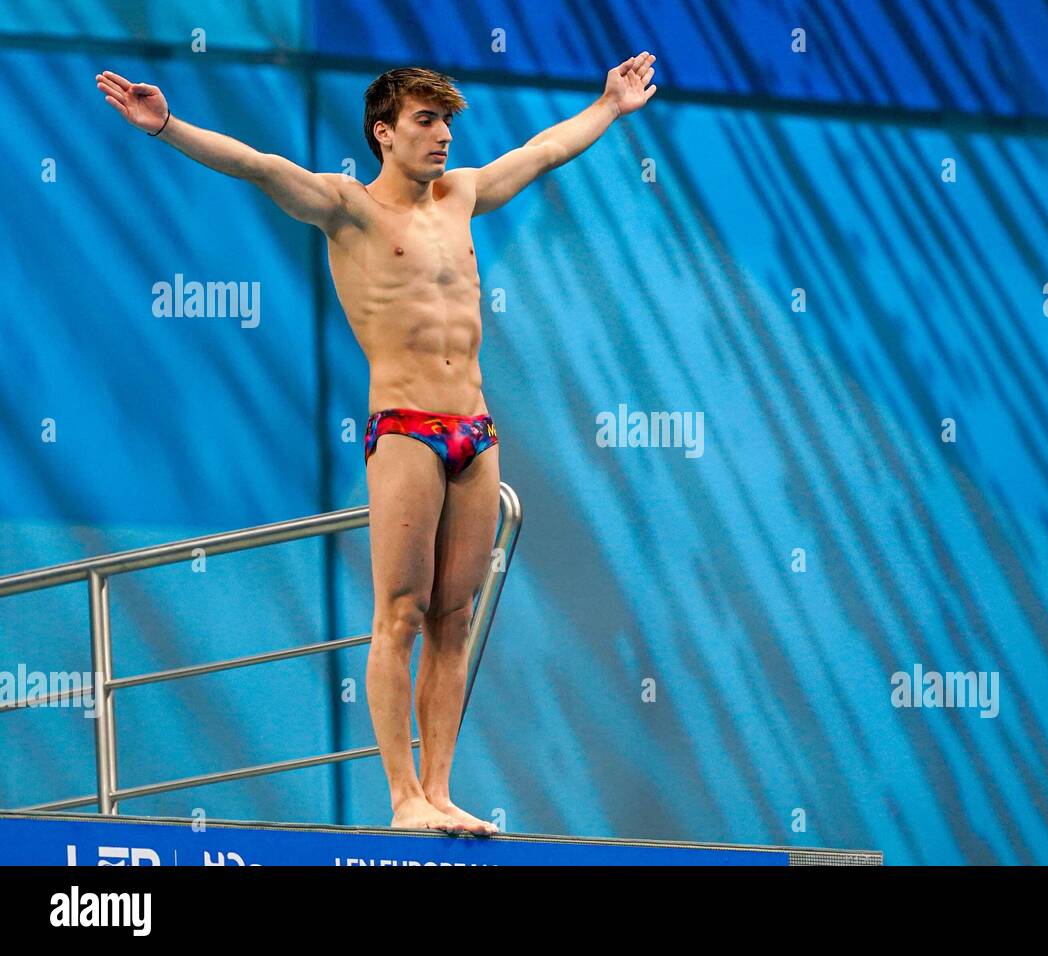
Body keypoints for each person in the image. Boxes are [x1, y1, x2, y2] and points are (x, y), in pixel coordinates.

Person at [95, 53, 658, 833]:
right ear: (383, 132)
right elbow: (257, 166)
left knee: (453, 620)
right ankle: (401, 799)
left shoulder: (462, 196)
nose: (444, 137)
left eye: (448, 122)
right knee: (398, 613)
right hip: (406, 431)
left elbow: (544, 150)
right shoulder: (346, 208)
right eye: (427, 121)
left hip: (476, 430)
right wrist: (166, 126)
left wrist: (610, 105)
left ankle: (439, 791)